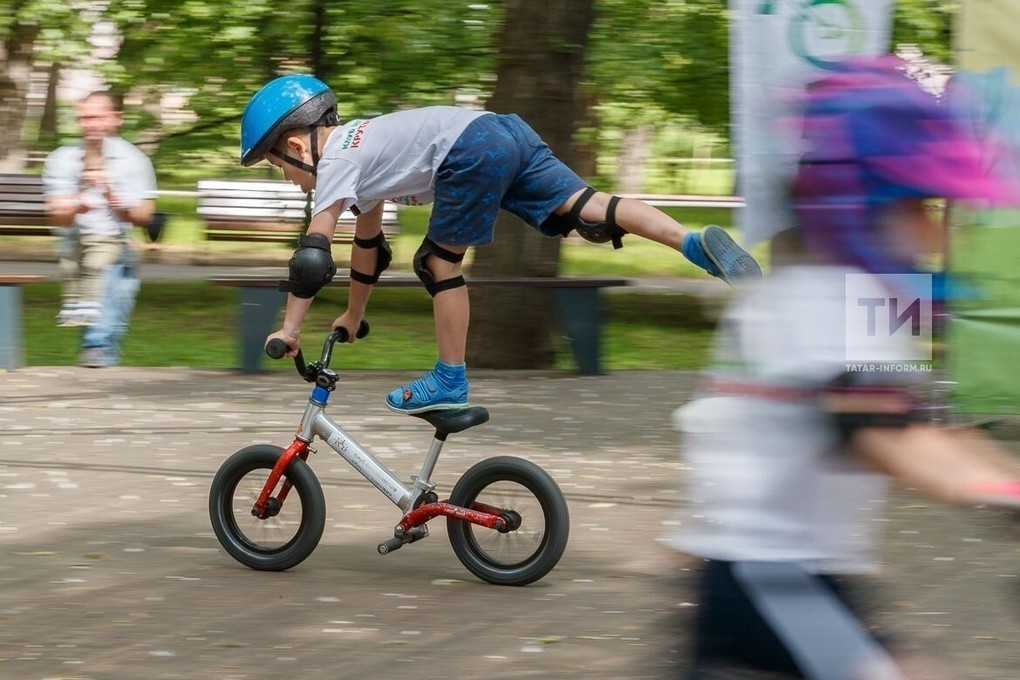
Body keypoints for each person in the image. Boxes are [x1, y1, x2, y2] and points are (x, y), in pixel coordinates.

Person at [667, 56, 1020, 679]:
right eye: (922, 206)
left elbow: (922, 425)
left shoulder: (839, 293)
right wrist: (1004, 497)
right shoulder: (827, 299)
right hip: (767, 579)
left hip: (791, 576)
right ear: (864, 203)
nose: (938, 233)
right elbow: (883, 435)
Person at [239, 74, 763, 414]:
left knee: (436, 262)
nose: (287, 178)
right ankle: (695, 244)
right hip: (502, 130)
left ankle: (449, 379)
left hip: (469, 150)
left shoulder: (334, 162)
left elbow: (313, 258)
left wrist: (289, 328)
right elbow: (368, 249)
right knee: (588, 209)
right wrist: (353, 315)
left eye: (277, 167)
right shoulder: (362, 144)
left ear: (294, 145)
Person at [43, 91, 157, 367]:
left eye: (96, 117)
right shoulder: (63, 159)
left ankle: (99, 345)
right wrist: (77, 201)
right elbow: (57, 217)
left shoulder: (134, 160)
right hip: (75, 241)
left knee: (111, 267)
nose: (89, 124)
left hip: (117, 239)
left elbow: (144, 216)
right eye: (83, 118)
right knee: (98, 266)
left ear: (116, 119)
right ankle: (98, 346)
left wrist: (113, 197)